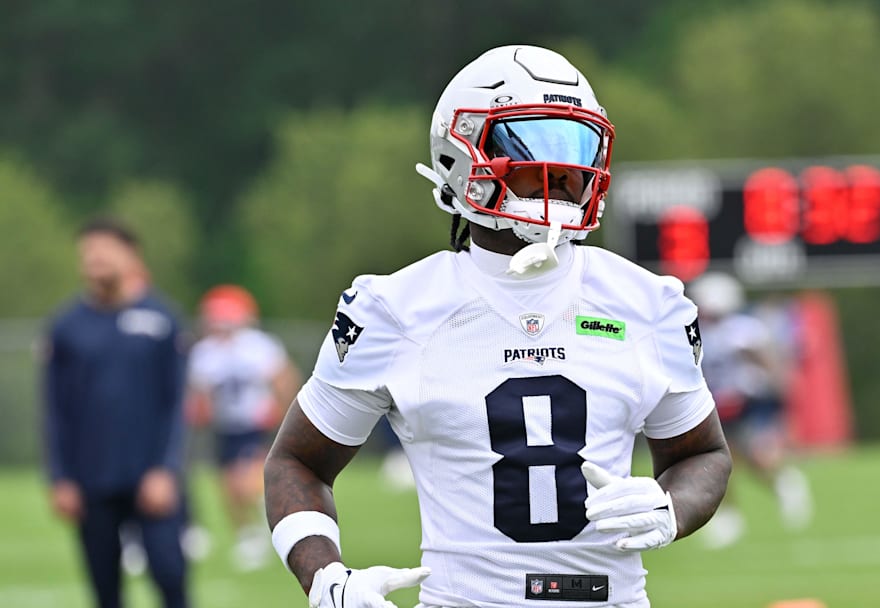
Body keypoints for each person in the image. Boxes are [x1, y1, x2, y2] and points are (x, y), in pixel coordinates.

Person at [263, 45, 732, 608]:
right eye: (533, 147)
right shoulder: (395, 308)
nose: (563, 174)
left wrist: (669, 508)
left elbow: (703, 454)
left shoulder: (648, 302)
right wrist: (325, 579)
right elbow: (296, 461)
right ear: (461, 159)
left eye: (576, 149)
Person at [42, 217, 189, 608]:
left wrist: (165, 468)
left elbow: (175, 403)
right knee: (105, 590)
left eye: (105, 249)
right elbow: (56, 409)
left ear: (132, 256)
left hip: (152, 478)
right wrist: (61, 477)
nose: (96, 258)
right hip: (92, 481)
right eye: (88, 251)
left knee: (170, 576)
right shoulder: (66, 326)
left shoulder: (161, 320)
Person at [687, 273, 812, 549]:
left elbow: (767, 363)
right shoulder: (698, 331)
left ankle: (781, 483)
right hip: (716, 403)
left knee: (747, 458)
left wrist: (775, 389)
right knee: (721, 463)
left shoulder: (742, 330)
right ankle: (731, 516)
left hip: (746, 401)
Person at [186, 284, 300, 569]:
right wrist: (199, 412)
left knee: (245, 481)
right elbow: (200, 396)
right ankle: (248, 534)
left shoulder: (258, 346)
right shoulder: (204, 352)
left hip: (255, 422)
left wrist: (282, 412)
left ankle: (270, 521)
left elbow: (285, 379)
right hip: (225, 426)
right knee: (228, 488)